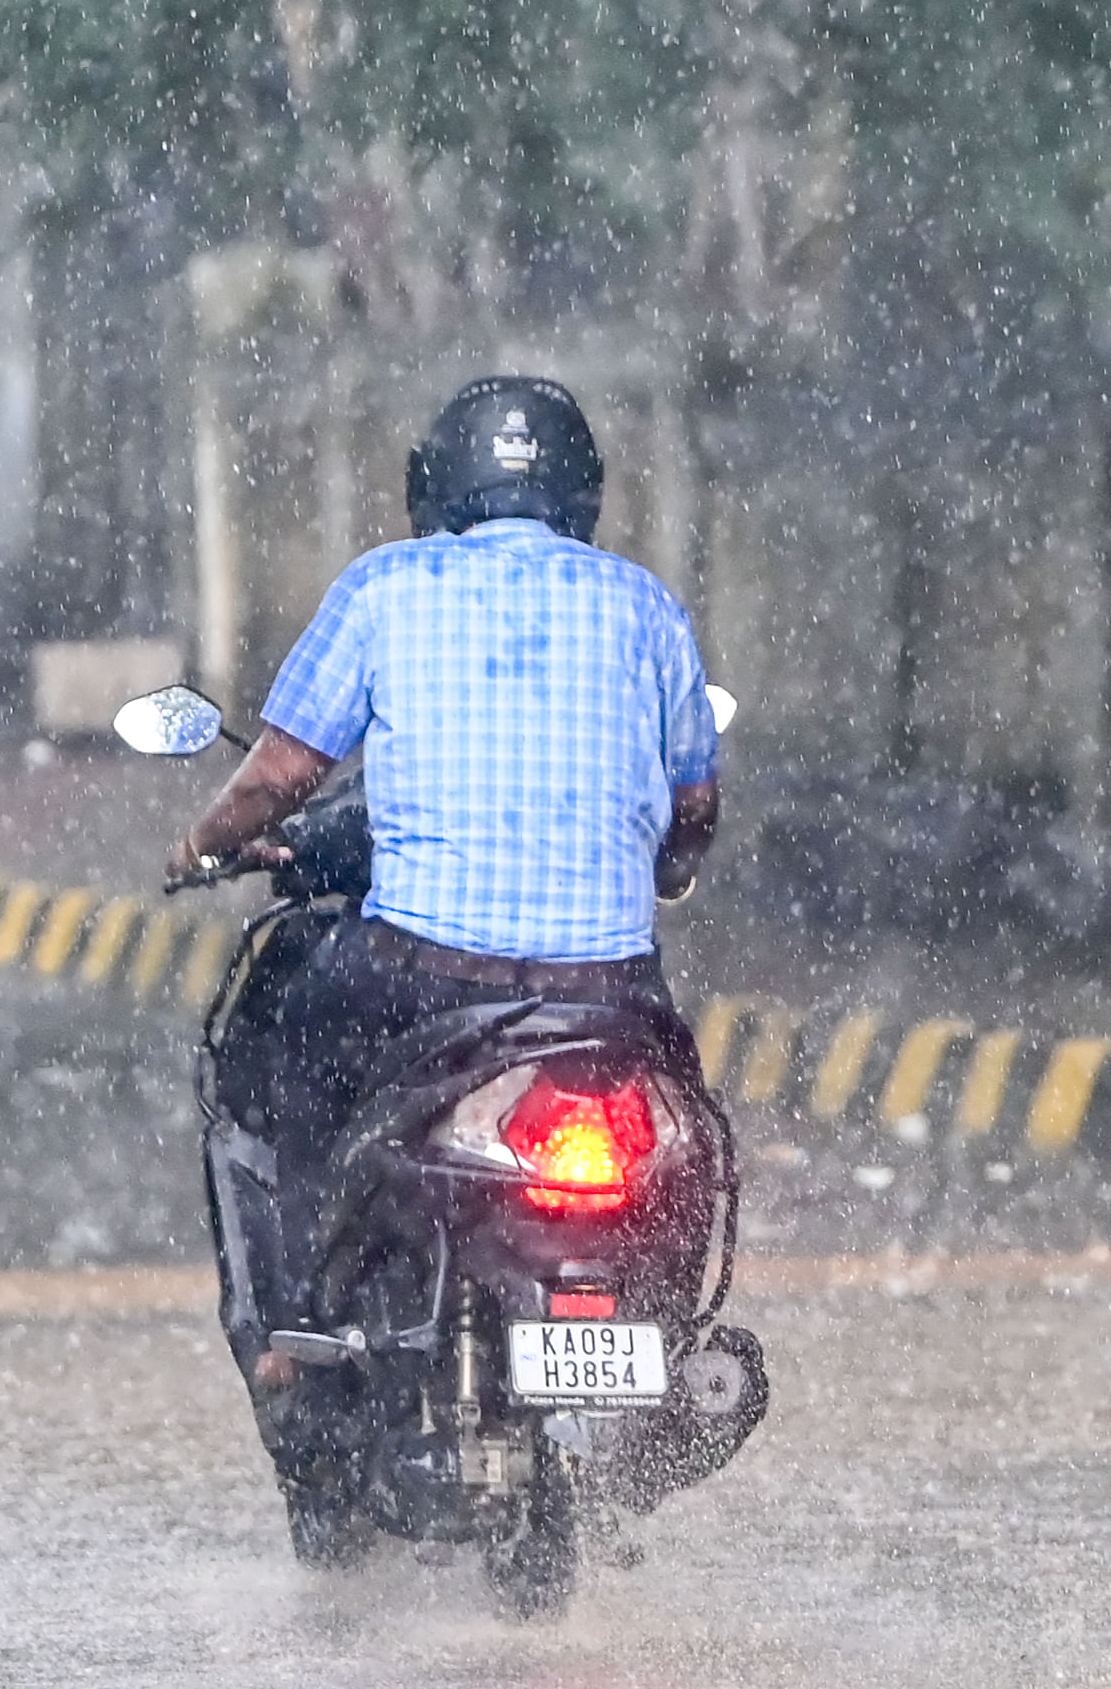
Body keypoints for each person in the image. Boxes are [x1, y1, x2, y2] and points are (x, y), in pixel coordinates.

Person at [172, 376, 724, 1328]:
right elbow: (695, 804)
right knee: (689, 1122)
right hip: (608, 987)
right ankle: (671, 1320)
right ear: (582, 491)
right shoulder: (646, 606)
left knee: (291, 1055)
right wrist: (669, 869)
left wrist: (200, 845)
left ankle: (298, 1323)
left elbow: (279, 778)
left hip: (425, 974)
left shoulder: (387, 587)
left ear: (432, 488)